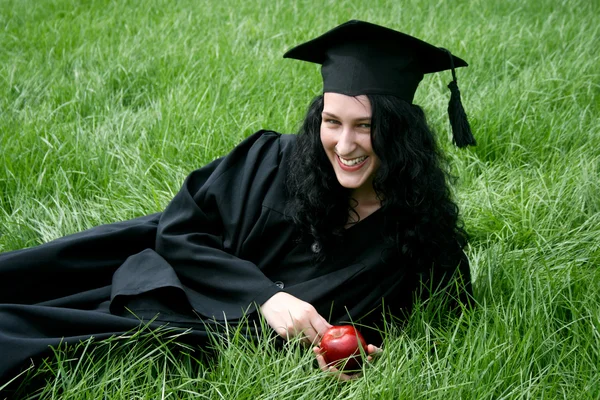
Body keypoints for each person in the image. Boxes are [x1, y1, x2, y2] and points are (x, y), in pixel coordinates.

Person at [0, 20, 475, 384]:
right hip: (169, 276)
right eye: (333, 121)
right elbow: (179, 230)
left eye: (365, 126)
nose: (344, 145)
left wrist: (365, 359)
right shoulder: (272, 159)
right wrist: (265, 297)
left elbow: (433, 330)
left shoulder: (421, 237)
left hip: (202, 334)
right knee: (35, 291)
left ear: (400, 132)